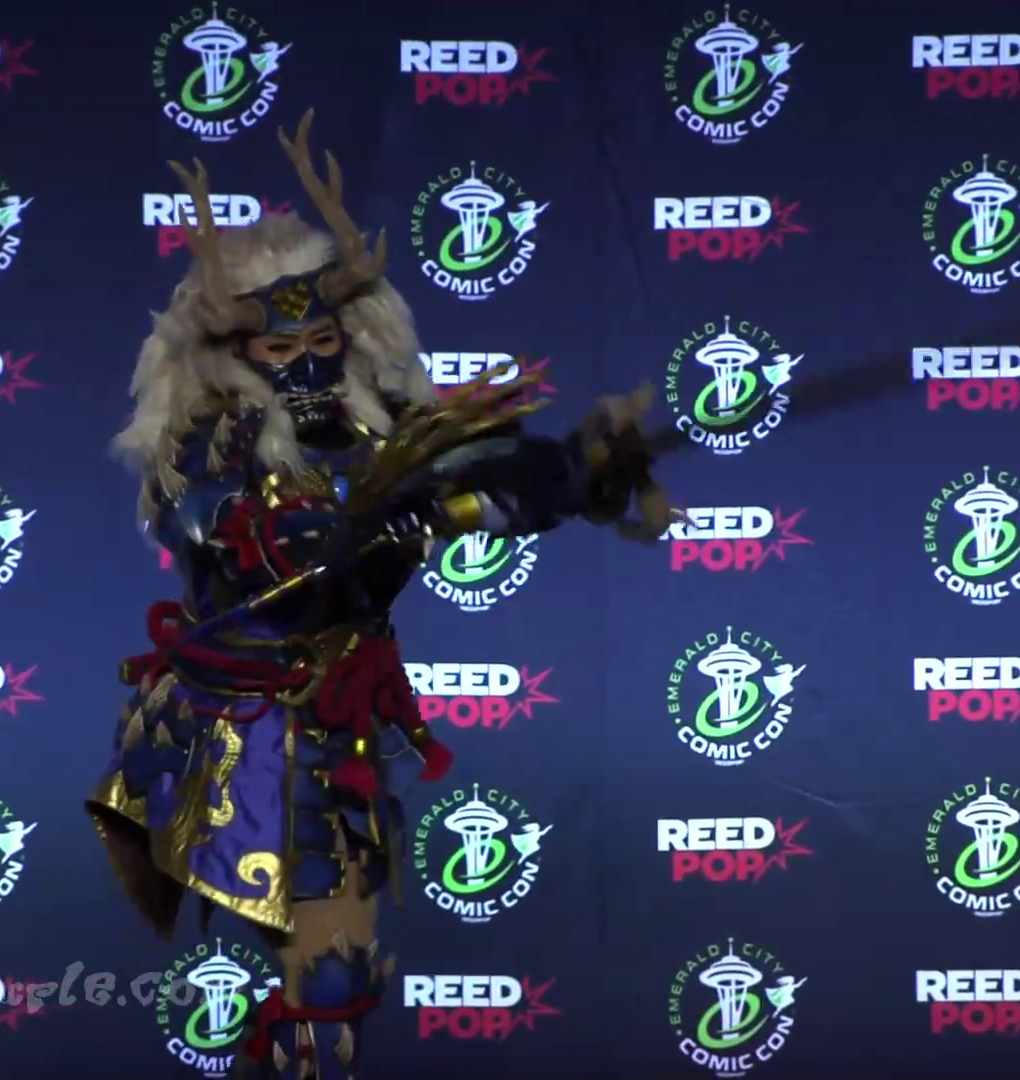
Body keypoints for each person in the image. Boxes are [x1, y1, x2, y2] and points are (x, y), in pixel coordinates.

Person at [85, 111, 673, 1080]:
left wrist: (575, 470)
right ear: (236, 359)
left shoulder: (377, 427)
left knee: (333, 974)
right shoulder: (209, 440)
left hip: (335, 722)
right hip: (240, 729)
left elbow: (471, 483)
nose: (308, 363)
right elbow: (244, 531)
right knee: (321, 967)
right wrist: (364, 508)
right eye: (281, 351)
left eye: (322, 337)